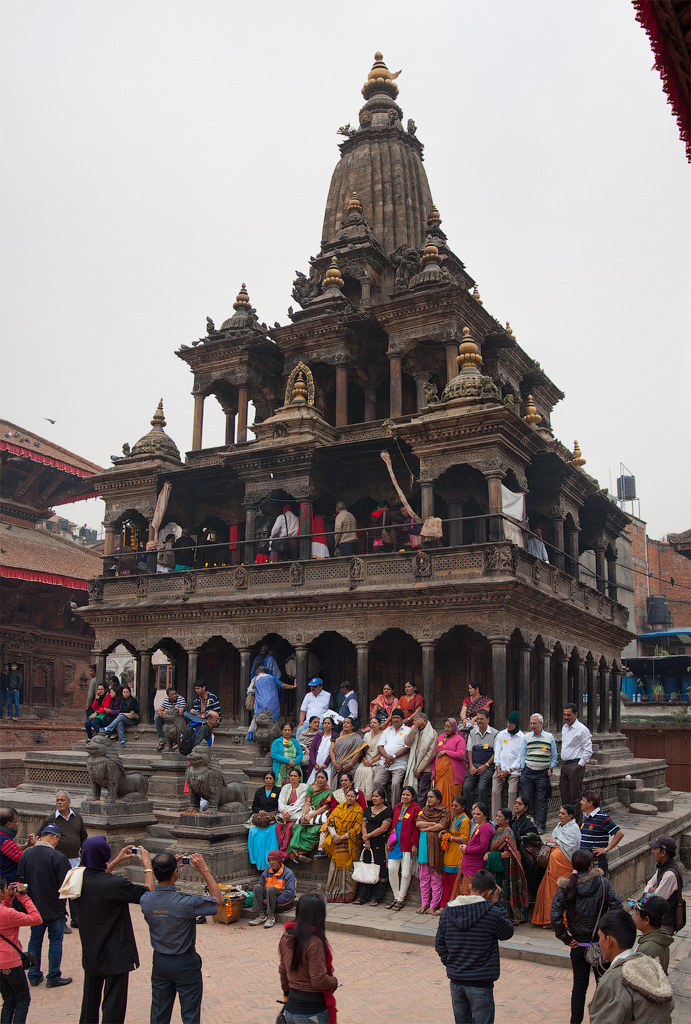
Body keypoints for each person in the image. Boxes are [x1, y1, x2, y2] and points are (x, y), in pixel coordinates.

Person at [76, 836, 154, 1024]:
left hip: (91, 950)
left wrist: (117, 860)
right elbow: (148, 894)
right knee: (113, 1005)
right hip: (116, 953)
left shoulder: (76, 880)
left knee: (90, 1002)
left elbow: (98, 875)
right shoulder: (115, 885)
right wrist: (147, 865)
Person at [139, 851, 221, 1024]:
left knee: (159, 1012)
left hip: (160, 961)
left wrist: (151, 868)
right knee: (190, 1015)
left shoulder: (147, 901)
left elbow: (149, 890)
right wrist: (204, 870)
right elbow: (218, 900)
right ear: (176, 872)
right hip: (185, 963)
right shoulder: (186, 902)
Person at [550, 848, 622, 1024]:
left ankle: (576, 1021)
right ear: (591, 864)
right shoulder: (603, 883)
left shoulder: (566, 887)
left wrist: (565, 937)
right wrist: (608, 933)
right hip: (601, 945)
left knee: (579, 987)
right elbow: (617, 907)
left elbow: (555, 915)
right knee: (604, 986)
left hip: (578, 944)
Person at [435, 868, 514, 1024]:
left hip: (456, 980)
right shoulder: (492, 913)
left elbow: (440, 945)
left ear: (471, 887)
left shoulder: (448, 912)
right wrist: (497, 903)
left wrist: (452, 964)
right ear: (491, 892)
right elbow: (507, 932)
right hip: (480, 982)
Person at [589, 909, 674, 1024]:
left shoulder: (611, 982)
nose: (599, 943)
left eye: (600, 937)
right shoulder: (650, 965)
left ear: (609, 941)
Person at [16, 823, 70, 990]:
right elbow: (66, 886)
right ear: (54, 837)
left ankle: (33, 975)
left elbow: (21, 882)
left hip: (34, 909)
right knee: (55, 942)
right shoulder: (59, 858)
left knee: (35, 941)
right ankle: (53, 976)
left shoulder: (26, 855)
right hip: (55, 909)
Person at [278, 893, 338, 1024]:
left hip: (291, 1009)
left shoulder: (287, 937)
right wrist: (334, 981)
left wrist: (287, 995)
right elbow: (319, 980)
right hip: (311, 1012)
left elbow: (283, 971)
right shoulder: (314, 942)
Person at [39, 790, 87, 929]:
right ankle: (61, 920)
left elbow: (83, 837)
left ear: (69, 802)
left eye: (62, 800)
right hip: (57, 862)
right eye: (57, 800)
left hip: (75, 860)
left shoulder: (77, 817)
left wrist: (83, 854)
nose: (59, 802)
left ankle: (76, 919)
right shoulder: (50, 819)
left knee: (74, 890)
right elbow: (40, 836)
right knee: (60, 891)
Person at [0, 875, 43, 1024]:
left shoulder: (5, 911)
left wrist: (9, 898)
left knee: (8, 1001)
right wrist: (24, 897)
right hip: (10, 962)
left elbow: (3, 907)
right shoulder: (8, 914)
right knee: (23, 1000)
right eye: (6, 888)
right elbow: (36, 919)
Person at [532, 803, 582, 925]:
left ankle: (561, 920)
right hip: (553, 867)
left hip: (564, 867)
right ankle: (548, 920)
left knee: (560, 892)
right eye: (559, 813)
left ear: (570, 816)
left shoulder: (573, 828)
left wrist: (557, 841)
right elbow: (553, 840)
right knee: (547, 891)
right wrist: (554, 842)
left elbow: (572, 846)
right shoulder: (559, 826)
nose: (560, 815)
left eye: (563, 813)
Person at [484, 808, 529, 923]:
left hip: (504, 869)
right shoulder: (499, 830)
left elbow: (508, 853)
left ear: (507, 820)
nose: (497, 818)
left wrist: (492, 855)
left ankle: (503, 917)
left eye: (500, 816)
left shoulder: (508, 833)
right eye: (497, 816)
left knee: (502, 892)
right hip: (496, 867)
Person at [514, 712, 558, 833]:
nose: (532, 726)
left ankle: (541, 825)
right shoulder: (527, 737)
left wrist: (551, 768)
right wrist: (523, 767)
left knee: (542, 799)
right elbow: (523, 753)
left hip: (542, 773)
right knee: (528, 800)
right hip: (528, 772)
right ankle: (529, 824)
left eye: (535, 723)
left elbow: (554, 755)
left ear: (541, 724)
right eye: (531, 723)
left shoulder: (549, 737)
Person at [322, 788, 364, 903]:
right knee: (334, 869)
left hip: (349, 844)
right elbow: (330, 821)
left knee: (348, 870)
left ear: (356, 798)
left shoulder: (359, 811)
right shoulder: (339, 808)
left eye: (352, 796)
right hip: (337, 842)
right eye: (348, 796)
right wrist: (335, 835)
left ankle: (347, 895)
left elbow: (356, 829)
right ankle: (333, 894)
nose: (350, 798)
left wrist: (343, 837)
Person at [354, 787, 392, 906]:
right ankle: (362, 896)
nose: (374, 798)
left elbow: (383, 828)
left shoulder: (388, 811)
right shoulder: (367, 810)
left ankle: (377, 897)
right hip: (367, 843)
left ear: (382, 798)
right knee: (366, 866)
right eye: (373, 796)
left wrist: (369, 835)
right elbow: (364, 824)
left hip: (380, 843)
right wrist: (366, 838)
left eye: (377, 796)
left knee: (379, 868)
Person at [416, 789, 451, 915]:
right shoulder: (424, 810)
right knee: (423, 877)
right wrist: (432, 824)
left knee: (435, 878)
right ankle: (424, 903)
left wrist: (427, 828)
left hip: (436, 849)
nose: (429, 799)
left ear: (438, 799)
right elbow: (418, 823)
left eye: (431, 797)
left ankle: (434, 905)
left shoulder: (445, 811)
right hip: (424, 848)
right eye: (428, 797)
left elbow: (442, 826)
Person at [449, 801, 494, 900]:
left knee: (469, 893)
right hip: (468, 865)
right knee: (464, 891)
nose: (475, 816)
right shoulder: (479, 826)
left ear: (485, 816)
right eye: (474, 814)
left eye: (478, 814)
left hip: (474, 866)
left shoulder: (485, 828)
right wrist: (464, 846)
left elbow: (483, 847)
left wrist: (467, 849)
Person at [287, 770, 334, 864]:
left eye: (322, 778)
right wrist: (304, 815)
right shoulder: (311, 789)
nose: (320, 780)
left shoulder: (330, 791)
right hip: (309, 813)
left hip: (320, 816)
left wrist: (311, 815)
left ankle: (299, 853)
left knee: (313, 831)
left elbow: (326, 807)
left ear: (326, 780)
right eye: (318, 777)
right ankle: (298, 853)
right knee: (297, 828)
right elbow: (307, 803)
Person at [641, 834, 683, 935]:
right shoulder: (662, 868)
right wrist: (651, 889)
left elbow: (655, 900)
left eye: (655, 849)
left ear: (663, 852)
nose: (652, 851)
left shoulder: (670, 874)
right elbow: (648, 886)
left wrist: (652, 890)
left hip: (665, 924)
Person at [386, 785, 421, 910]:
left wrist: (414, 844)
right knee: (391, 869)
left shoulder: (416, 809)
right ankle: (396, 896)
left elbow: (417, 828)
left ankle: (401, 898)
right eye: (403, 794)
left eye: (408, 795)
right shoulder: (397, 807)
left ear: (413, 797)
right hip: (395, 844)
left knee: (406, 873)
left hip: (407, 845)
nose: (405, 797)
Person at [560, 703, 593, 824]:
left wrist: (580, 764)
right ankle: (566, 822)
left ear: (576, 714)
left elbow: (588, 749)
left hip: (575, 764)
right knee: (564, 796)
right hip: (565, 764)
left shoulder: (582, 729)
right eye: (564, 715)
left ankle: (577, 824)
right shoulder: (564, 728)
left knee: (575, 797)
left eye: (569, 715)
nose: (566, 717)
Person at [373, 707, 411, 807]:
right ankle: (383, 804)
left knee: (395, 784)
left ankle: (395, 807)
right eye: (393, 717)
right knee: (377, 781)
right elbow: (380, 746)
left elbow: (407, 748)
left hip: (399, 763)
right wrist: (387, 757)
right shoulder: (387, 730)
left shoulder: (408, 731)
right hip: (384, 762)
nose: (395, 720)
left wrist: (393, 757)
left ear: (402, 719)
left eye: (397, 717)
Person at [511, 794, 543, 911]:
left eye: (520, 804)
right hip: (514, 851)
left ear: (526, 807)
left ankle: (531, 899)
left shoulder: (529, 820)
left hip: (526, 851)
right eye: (516, 803)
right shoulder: (512, 820)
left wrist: (520, 838)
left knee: (529, 868)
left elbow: (534, 836)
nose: (516, 805)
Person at [580, 790, 623, 874]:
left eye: (583, 800)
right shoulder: (586, 817)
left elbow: (619, 833)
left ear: (590, 803)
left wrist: (606, 849)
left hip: (596, 861)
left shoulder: (602, 818)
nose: (581, 802)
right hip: (584, 860)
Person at [249, 851, 296, 927]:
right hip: (269, 900)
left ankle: (271, 917)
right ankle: (261, 916)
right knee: (257, 887)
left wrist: (270, 900)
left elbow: (289, 893)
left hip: (283, 903)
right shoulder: (267, 872)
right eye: (269, 860)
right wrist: (265, 900)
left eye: (274, 860)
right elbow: (261, 886)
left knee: (271, 889)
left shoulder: (288, 873)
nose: (271, 862)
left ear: (279, 861)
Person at [462, 709, 497, 812]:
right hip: (474, 765)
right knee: (466, 787)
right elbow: (469, 750)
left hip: (487, 766)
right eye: (477, 719)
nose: (479, 721)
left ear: (488, 720)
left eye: (482, 719)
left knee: (482, 788)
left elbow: (496, 753)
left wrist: (486, 765)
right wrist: (471, 766)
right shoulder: (472, 733)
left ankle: (482, 812)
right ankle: (469, 812)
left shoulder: (495, 733)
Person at [491, 711, 523, 820]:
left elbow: (520, 757)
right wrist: (499, 769)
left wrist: (508, 771)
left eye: (511, 723)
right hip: (500, 769)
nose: (509, 725)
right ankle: (496, 819)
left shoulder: (522, 737)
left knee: (512, 791)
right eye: (508, 723)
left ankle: (511, 819)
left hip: (513, 771)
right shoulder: (501, 734)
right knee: (495, 791)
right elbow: (497, 752)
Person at [403, 710, 438, 809]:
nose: (414, 723)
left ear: (423, 721)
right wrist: (414, 728)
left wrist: (420, 769)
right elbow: (407, 742)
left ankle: (419, 814)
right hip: (413, 766)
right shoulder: (415, 731)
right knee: (410, 792)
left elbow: (431, 754)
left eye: (416, 721)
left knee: (422, 794)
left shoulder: (432, 733)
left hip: (425, 768)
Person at [248, 770, 281, 871]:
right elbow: (254, 806)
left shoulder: (277, 791)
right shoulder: (259, 791)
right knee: (252, 831)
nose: (268, 780)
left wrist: (271, 813)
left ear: (274, 780)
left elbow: (279, 805)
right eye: (266, 778)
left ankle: (271, 862)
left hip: (272, 818)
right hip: (260, 819)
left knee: (272, 831)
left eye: (270, 778)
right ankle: (257, 861)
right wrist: (260, 810)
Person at [441, 795, 471, 908]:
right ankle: (445, 903)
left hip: (457, 853)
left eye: (456, 806)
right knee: (446, 880)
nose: (453, 807)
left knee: (454, 881)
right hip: (449, 852)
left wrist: (450, 838)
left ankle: (452, 904)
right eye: (452, 805)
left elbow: (465, 839)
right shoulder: (455, 817)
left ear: (463, 807)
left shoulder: (465, 820)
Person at [632, 895, 673, 973]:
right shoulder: (661, 939)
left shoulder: (647, 948)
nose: (634, 917)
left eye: (637, 913)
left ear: (646, 920)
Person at [433, 717, 467, 810]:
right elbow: (436, 754)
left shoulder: (459, 739)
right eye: (445, 726)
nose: (447, 729)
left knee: (452, 799)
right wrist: (433, 770)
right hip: (440, 773)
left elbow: (461, 754)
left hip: (453, 774)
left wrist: (446, 752)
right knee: (438, 795)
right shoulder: (440, 737)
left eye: (449, 727)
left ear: (454, 727)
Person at [276, 768, 307, 859]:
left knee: (289, 827)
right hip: (284, 813)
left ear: (300, 778)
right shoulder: (286, 787)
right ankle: (281, 849)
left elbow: (300, 803)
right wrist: (283, 811)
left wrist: (288, 813)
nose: (292, 778)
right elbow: (280, 801)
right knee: (278, 827)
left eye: (295, 776)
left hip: (295, 813)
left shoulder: (304, 787)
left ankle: (284, 852)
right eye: (291, 776)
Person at [0, 808, 35, 885]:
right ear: (8, 824)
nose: (17, 824)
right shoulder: (6, 842)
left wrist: (27, 845)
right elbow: (24, 860)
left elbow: (10, 851)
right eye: (15, 822)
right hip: (8, 882)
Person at [352, 717, 384, 801]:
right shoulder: (367, 735)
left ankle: (368, 798)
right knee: (359, 770)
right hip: (366, 759)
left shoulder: (383, 735)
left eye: (375, 722)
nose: (372, 724)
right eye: (371, 723)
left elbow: (382, 751)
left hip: (377, 760)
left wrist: (372, 761)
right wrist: (364, 759)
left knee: (369, 772)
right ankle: (356, 795)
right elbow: (362, 750)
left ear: (379, 724)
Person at [307, 714, 337, 785]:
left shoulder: (335, 736)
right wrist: (314, 764)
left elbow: (333, 751)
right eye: (325, 723)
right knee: (312, 784)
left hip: (328, 765)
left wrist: (325, 763)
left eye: (328, 723)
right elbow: (312, 750)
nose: (326, 725)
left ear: (332, 725)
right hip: (316, 765)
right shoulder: (318, 736)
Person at [155, 686, 186, 751]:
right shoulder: (166, 700)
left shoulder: (181, 699)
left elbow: (179, 713)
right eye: (172, 694)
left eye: (175, 693)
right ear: (168, 696)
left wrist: (165, 714)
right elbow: (160, 710)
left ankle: (178, 741)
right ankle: (162, 739)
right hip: (168, 718)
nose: (175, 695)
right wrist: (160, 713)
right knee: (157, 718)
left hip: (177, 719)